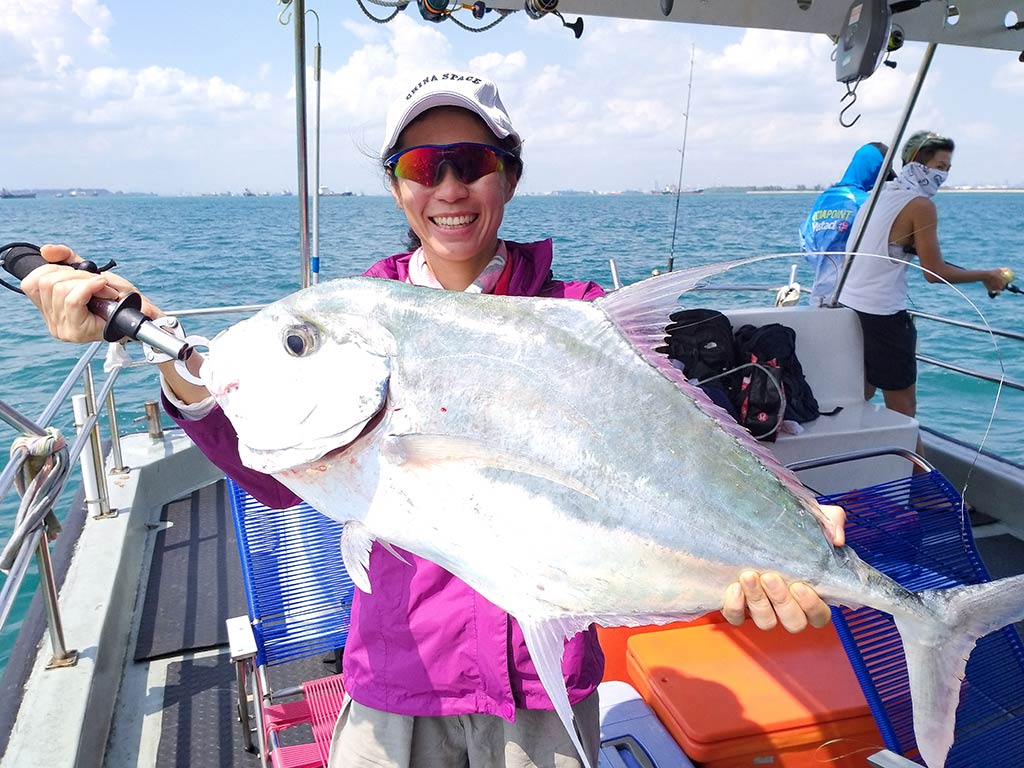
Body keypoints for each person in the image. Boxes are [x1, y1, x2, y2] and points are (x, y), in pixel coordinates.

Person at [21, 71, 846, 768]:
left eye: (472, 162)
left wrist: (789, 527)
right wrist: (166, 345)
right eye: (423, 165)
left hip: (543, 686)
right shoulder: (354, 318)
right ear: (397, 185)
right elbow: (274, 480)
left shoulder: (582, 316)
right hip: (395, 681)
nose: (448, 188)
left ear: (509, 177)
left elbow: (681, 460)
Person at [837, 130, 1013, 434]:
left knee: (860, 397)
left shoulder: (880, 194)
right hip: (884, 316)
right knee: (904, 412)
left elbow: (889, 246)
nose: (942, 176)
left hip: (848, 307)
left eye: (947, 169)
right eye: (940, 167)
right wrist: (987, 275)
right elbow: (933, 273)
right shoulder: (921, 206)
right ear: (917, 162)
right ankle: (919, 479)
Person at [800, 141, 890, 306]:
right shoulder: (866, 203)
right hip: (853, 300)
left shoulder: (823, 199)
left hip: (818, 297)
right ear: (876, 169)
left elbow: (806, 245)